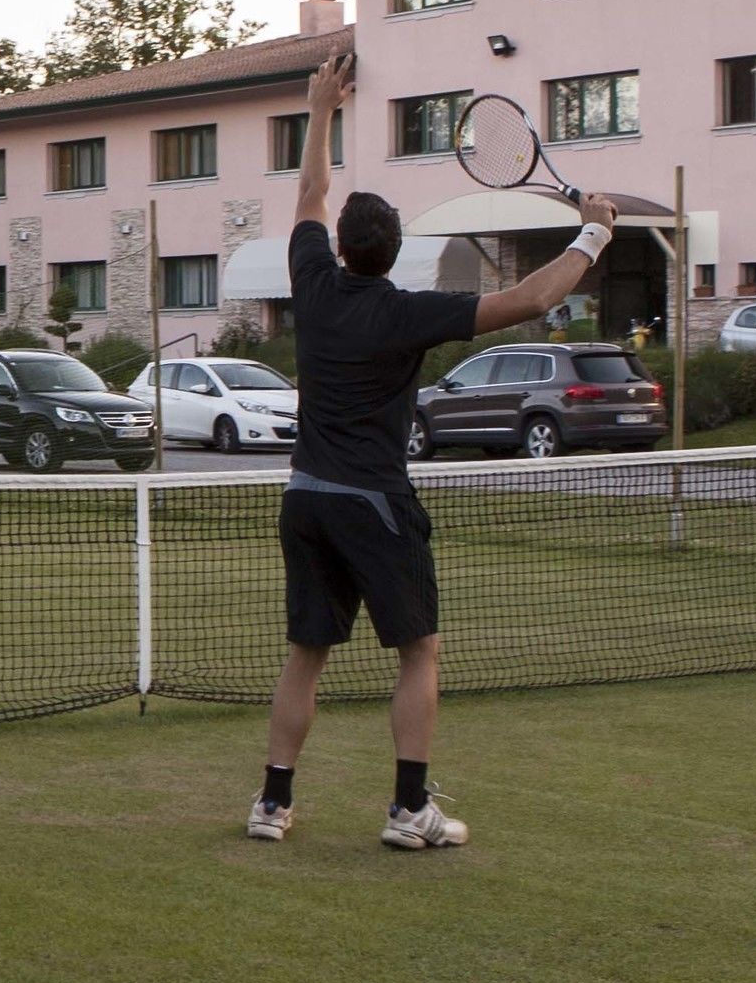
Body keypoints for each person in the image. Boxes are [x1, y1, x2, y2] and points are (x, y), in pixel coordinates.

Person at [251, 42, 616, 851]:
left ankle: (272, 805)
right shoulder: (407, 312)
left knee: (306, 654)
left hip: (305, 497)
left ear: (341, 245)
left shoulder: (312, 282)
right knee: (420, 649)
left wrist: (320, 111)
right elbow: (531, 297)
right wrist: (593, 234)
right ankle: (409, 809)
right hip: (375, 503)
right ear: (394, 250)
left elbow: (310, 191)